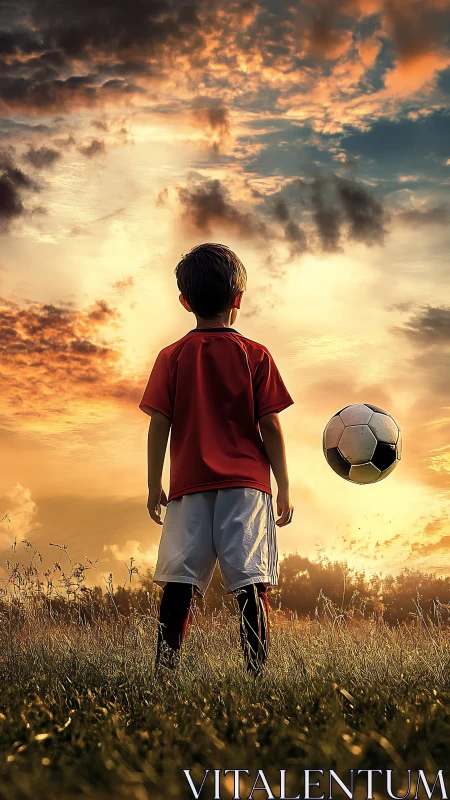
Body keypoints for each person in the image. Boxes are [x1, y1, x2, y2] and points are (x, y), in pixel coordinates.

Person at [139, 242, 294, 676]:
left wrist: (155, 484)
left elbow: (158, 424)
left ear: (185, 301)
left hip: (188, 488)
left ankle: (164, 673)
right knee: (251, 583)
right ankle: (257, 675)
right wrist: (283, 485)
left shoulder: (170, 356)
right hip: (246, 488)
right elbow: (271, 426)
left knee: (179, 581)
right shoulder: (256, 354)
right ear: (239, 299)